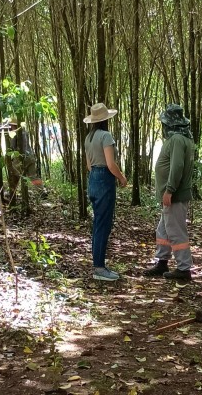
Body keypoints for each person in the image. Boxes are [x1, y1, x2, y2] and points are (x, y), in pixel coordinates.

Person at [143, 104, 195, 280]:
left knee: (175, 231)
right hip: (172, 195)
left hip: (175, 195)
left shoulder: (178, 140)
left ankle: (184, 268)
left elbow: (177, 166)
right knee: (163, 229)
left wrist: (169, 190)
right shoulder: (182, 139)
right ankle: (162, 262)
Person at [84, 103, 127, 281]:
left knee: (98, 224)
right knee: (103, 225)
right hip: (104, 179)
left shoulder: (89, 137)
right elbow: (110, 164)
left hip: (93, 178)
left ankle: (98, 264)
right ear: (105, 119)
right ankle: (99, 268)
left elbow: (88, 165)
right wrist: (122, 177)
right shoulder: (106, 136)